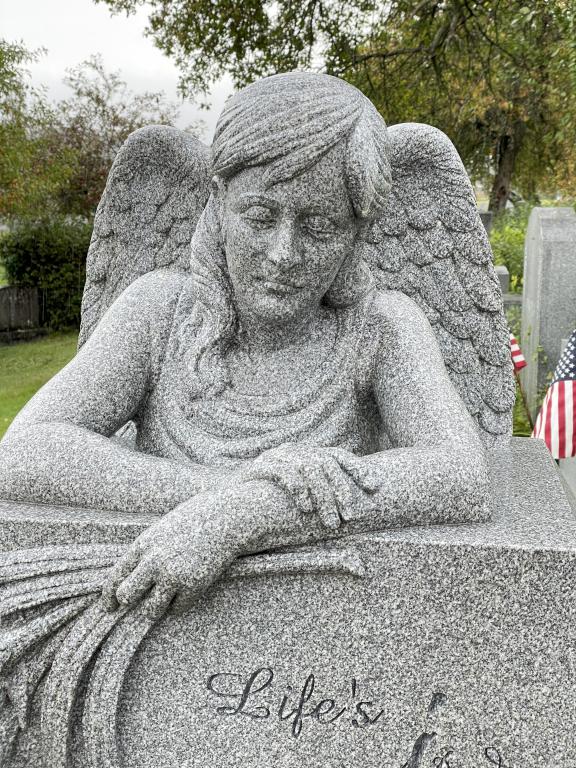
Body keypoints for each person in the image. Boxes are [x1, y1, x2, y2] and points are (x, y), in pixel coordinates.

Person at [0, 73, 487, 619]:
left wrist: (252, 512)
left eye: (321, 227)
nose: (284, 254)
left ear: (357, 234)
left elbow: (459, 474)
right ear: (218, 202)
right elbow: (26, 451)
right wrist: (217, 497)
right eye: (260, 217)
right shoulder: (159, 312)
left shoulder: (380, 328)